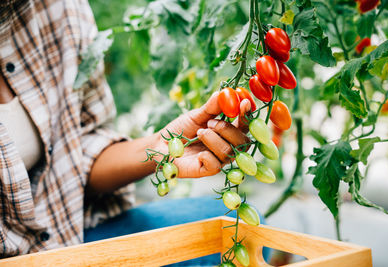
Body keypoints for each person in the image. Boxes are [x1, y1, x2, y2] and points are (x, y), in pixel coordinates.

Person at [0, 0, 252, 263]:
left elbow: (76, 151)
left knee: (239, 227)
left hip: (66, 232)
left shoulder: (59, 7)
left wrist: (160, 148)